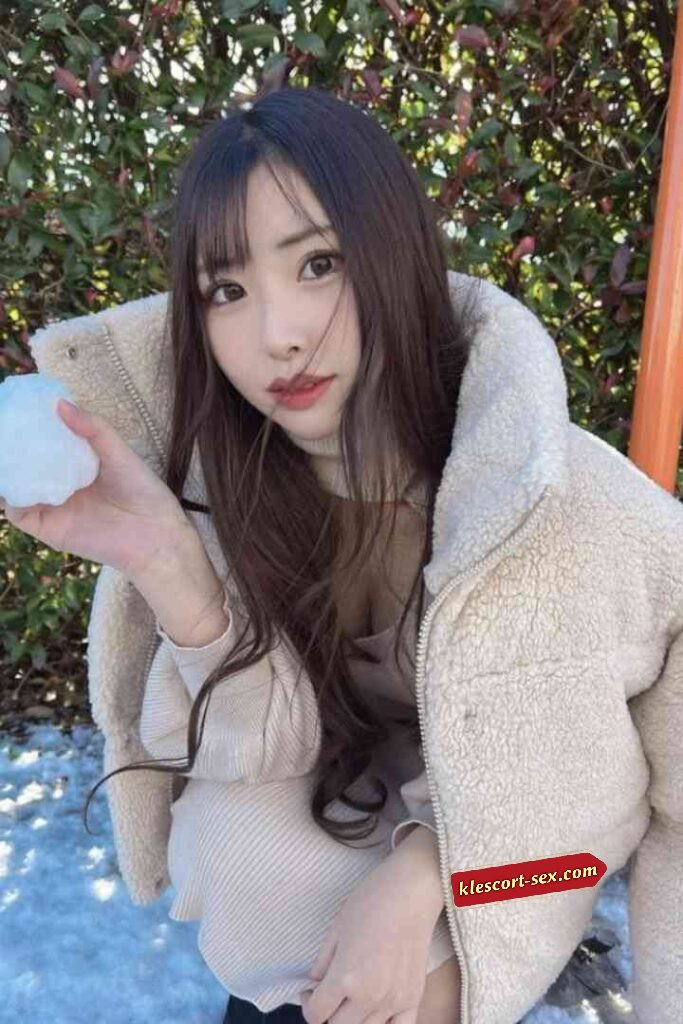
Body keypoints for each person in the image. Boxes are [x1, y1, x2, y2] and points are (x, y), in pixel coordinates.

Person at [8, 85, 683, 1024]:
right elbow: (261, 749)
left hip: (516, 859)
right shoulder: (231, 481)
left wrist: (424, 879)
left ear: (393, 256)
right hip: (315, 875)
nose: (277, 334)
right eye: (227, 291)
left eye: (318, 263)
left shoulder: (564, 504)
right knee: (260, 899)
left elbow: (606, 806)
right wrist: (169, 562)